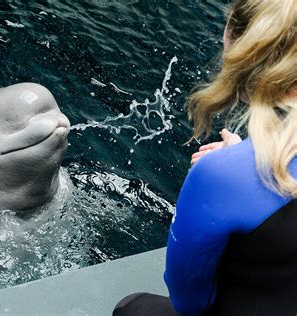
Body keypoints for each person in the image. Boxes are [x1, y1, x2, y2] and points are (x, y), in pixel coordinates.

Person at [113, 0, 296, 315]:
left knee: (132, 308)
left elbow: (189, 302)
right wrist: (246, 156)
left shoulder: (221, 174)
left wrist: (238, 167)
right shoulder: (238, 167)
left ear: (234, 39)